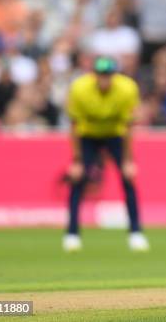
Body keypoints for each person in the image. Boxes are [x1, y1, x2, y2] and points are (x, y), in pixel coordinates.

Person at [63, 56, 149, 252]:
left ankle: (136, 232)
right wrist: (76, 160)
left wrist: (128, 160)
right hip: (88, 136)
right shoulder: (79, 89)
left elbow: (128, 127)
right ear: (94, 75)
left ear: (114, 75)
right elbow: (74, 126)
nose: (104, 80)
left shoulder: (127, 89)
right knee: (78, 179)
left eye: (108, 76)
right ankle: (72, 233)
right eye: (101, 76)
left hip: (115, 135)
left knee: (128, 179)